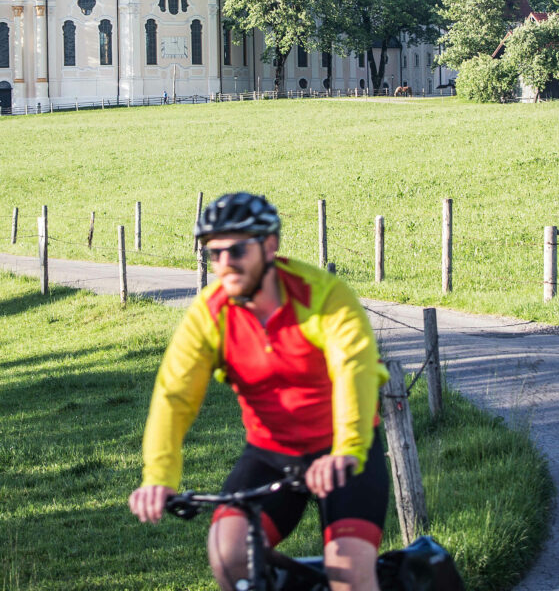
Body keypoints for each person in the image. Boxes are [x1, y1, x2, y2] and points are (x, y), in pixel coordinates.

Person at [129, 192, 389, 591]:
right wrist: (159, 476)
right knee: (228, 555)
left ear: (270, 245)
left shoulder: (322, 296)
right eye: (213, 254)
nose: (224, 263)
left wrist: (347, 449)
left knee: (349, 574)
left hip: (342, 449)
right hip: (270, 451)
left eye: (236, 250)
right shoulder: (209, 313)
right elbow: (175, 396)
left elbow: (354, 370)